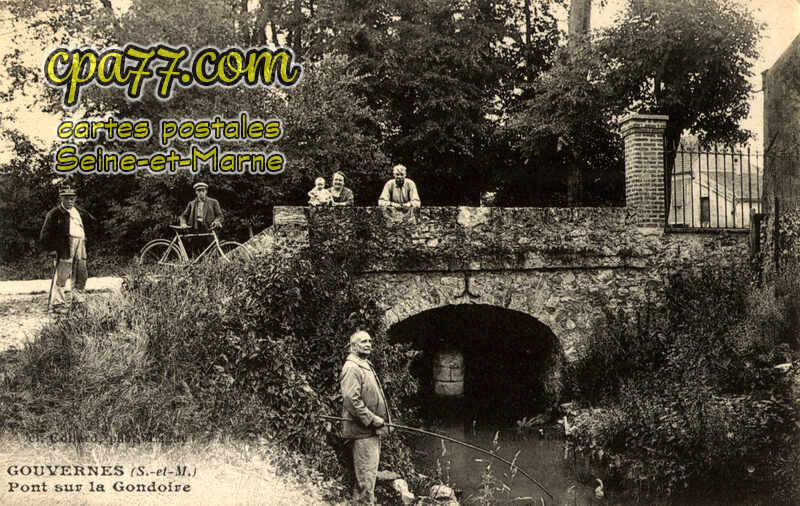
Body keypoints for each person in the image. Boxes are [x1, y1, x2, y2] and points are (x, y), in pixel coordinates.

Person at [340, 330, 391, 505]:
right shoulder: (352, 367)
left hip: (369, 432)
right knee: (365, 482)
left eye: (370, 341)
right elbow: (351, 400)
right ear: (353, 346)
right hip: (362, 432)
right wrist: (371, 419)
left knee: (368, 478)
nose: (368, 344)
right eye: (363, 341)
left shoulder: (363, 364)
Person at [39, 185, 88, 313]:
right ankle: (57, 304)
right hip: (65, 246)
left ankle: (78, 302)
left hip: (80, 244)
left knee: (81, 273)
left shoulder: (79, 212)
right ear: (61, 198)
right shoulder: (55, 213)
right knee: (62, 275)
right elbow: (45, 233)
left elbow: (90, 225)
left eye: (72, 198)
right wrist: (51, 249)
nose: (70, 201)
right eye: (67, 198)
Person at [180, 181, 223, 258]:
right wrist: (183, 223)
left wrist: (216, 221)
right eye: (199, 191)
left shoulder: (213, 202)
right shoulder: (191, 203)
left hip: (209, 229)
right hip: (195, 229)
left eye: (203, 190)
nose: (201, 193)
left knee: (212, 251)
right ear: (196, 192)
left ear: (206, 191)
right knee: (196, 252)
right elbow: (183, 216)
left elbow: (220, 215)